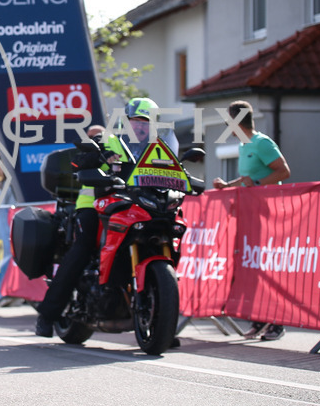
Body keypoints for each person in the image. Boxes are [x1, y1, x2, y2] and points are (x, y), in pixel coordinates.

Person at [36, 98, 178, 337]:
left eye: (146, 122)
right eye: (136, 121)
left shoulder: (158, 149)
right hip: (95, 203)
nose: (140, 127)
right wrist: (97, 157)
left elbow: (174, 171)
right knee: (83, 248)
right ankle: (47, 316)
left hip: (139, 205)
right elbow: (78, 162)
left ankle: (163, 325)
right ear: (127, 122)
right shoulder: (111, 140)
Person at [213, 100, 291, 342]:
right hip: (250, 215)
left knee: (267, 268)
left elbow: (283, 171)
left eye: (228, 121)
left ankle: (277, 324)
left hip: (267, 214)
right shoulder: (244, 145)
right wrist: (229, 186)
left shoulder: (262, 143)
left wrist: (257, 185)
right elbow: (248, 177)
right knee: (252, 267)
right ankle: (258, 321)